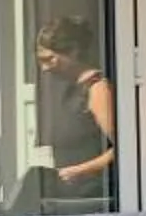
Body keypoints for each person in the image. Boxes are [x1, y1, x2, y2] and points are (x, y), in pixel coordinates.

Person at [34, 16, 116, 198]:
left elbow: (124, 148)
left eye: (50, 59)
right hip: (69, 194)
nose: (44, 68)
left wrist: (79, 171)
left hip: (93, 195)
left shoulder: (97, 90)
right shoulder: (68, 89)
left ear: (73, 52)